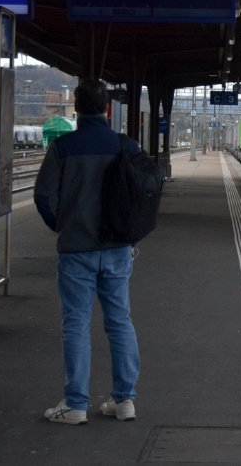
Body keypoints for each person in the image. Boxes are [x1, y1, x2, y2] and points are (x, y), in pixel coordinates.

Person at [34, 79, 141, 425]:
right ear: (108, 109)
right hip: (117, 249)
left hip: (76, 249)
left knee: (76, 323)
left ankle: (76, 404)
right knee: (120, 321)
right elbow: (144, 195)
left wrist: (63, 225)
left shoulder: (63, 147)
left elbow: (43, 196)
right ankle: (124, 401)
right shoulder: (126, 146)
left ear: (76, 109)